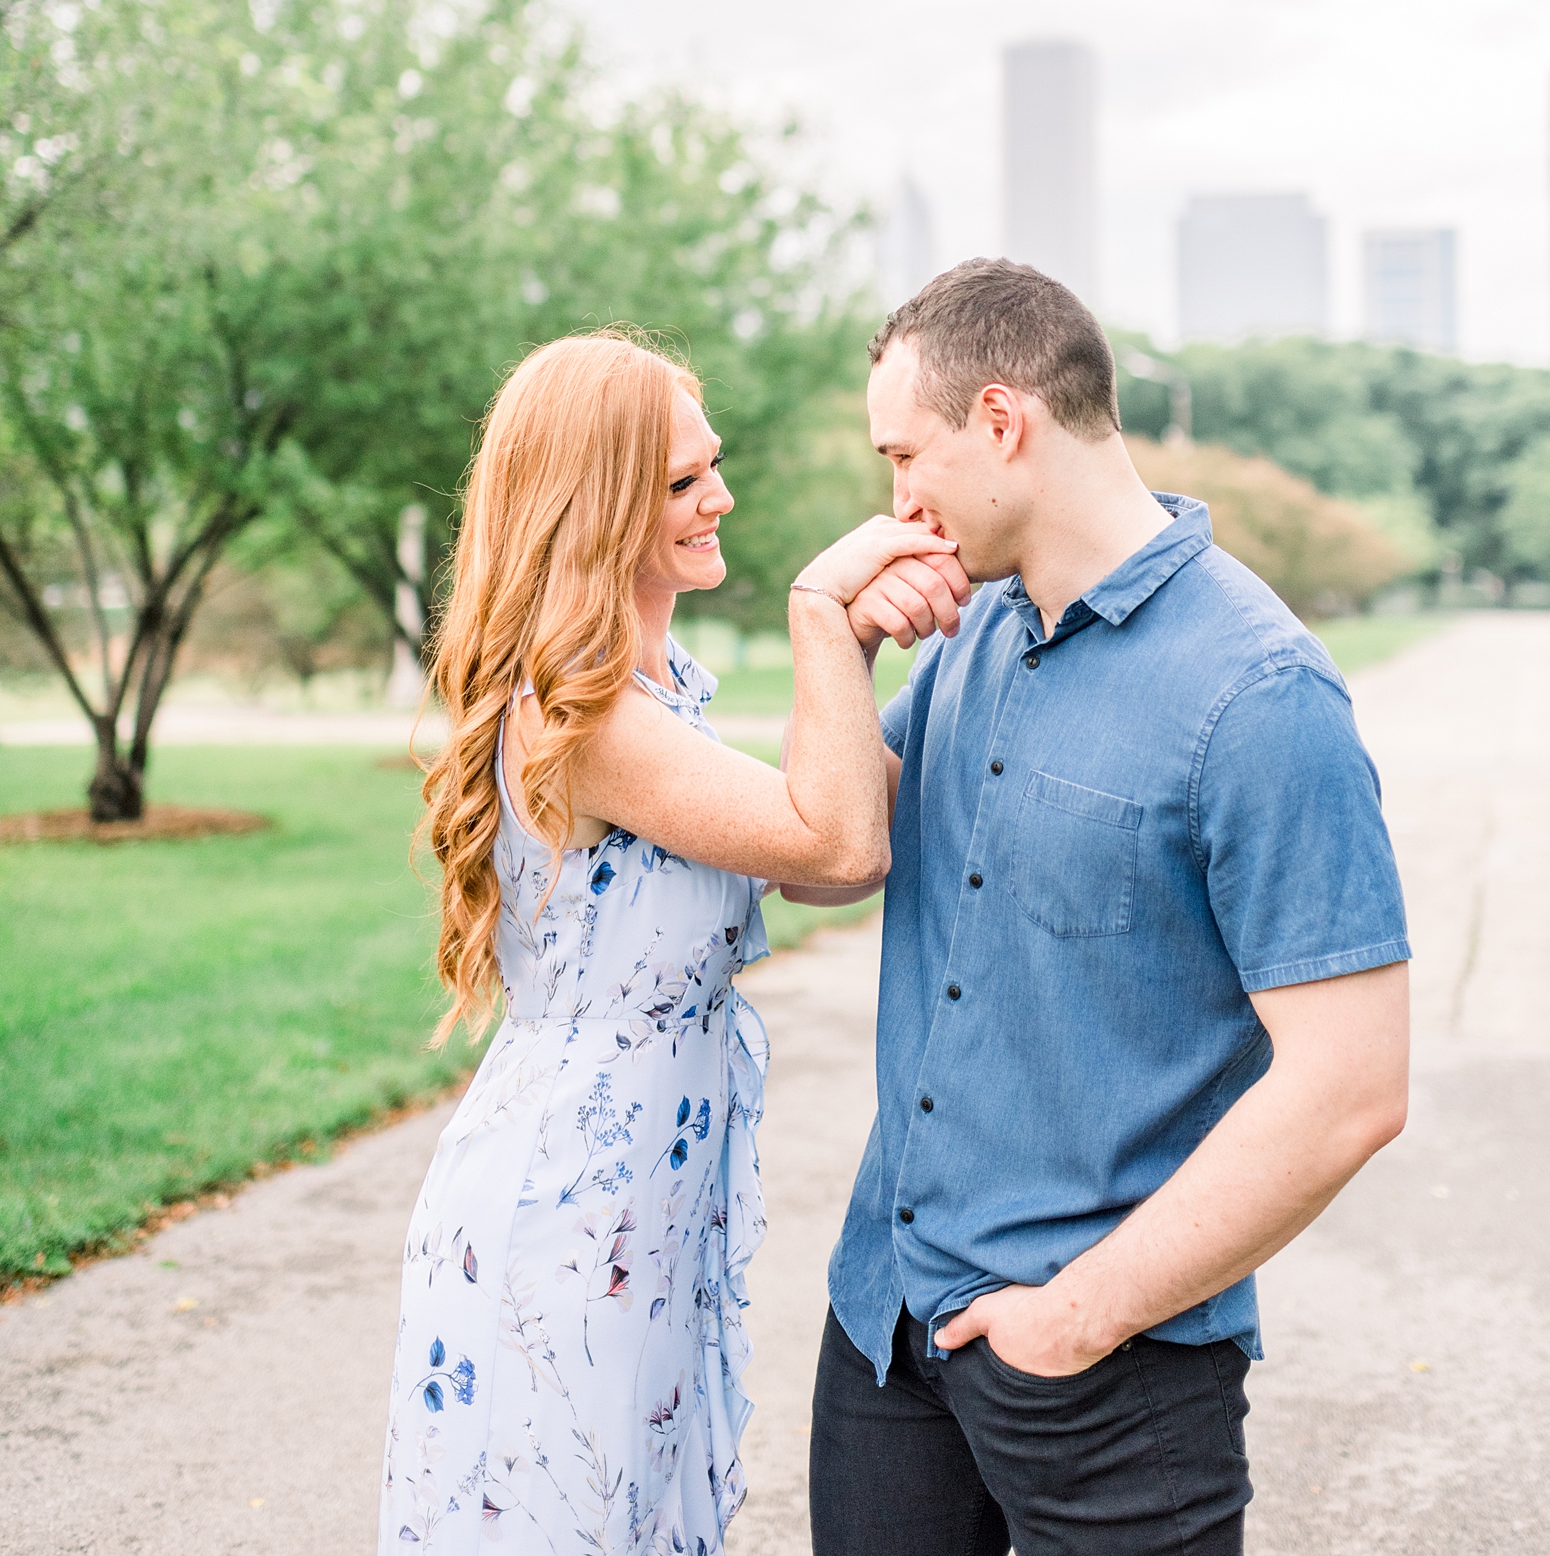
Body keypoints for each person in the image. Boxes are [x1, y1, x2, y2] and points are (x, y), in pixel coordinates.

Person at [802, 259, 1412, 1556]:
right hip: (886, 1331)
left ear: (1003, 425)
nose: (893, 503)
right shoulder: (966, 631)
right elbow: (823, 856)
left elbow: (1351, 1087)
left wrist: (1076, 1316)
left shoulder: (1259, 694)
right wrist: (832, 641)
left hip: (1108, 1372)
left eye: (903, 456)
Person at [377, 327, 965, 1556]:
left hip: (645, 1196)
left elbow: (819, 859)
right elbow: (838, 851)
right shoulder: (578, 711)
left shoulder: (658, 685)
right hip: (566, 1206)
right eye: (684, 481)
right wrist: (824, 614)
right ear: (595, 506)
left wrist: (925, 632)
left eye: (715, 466)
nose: (722, 498)